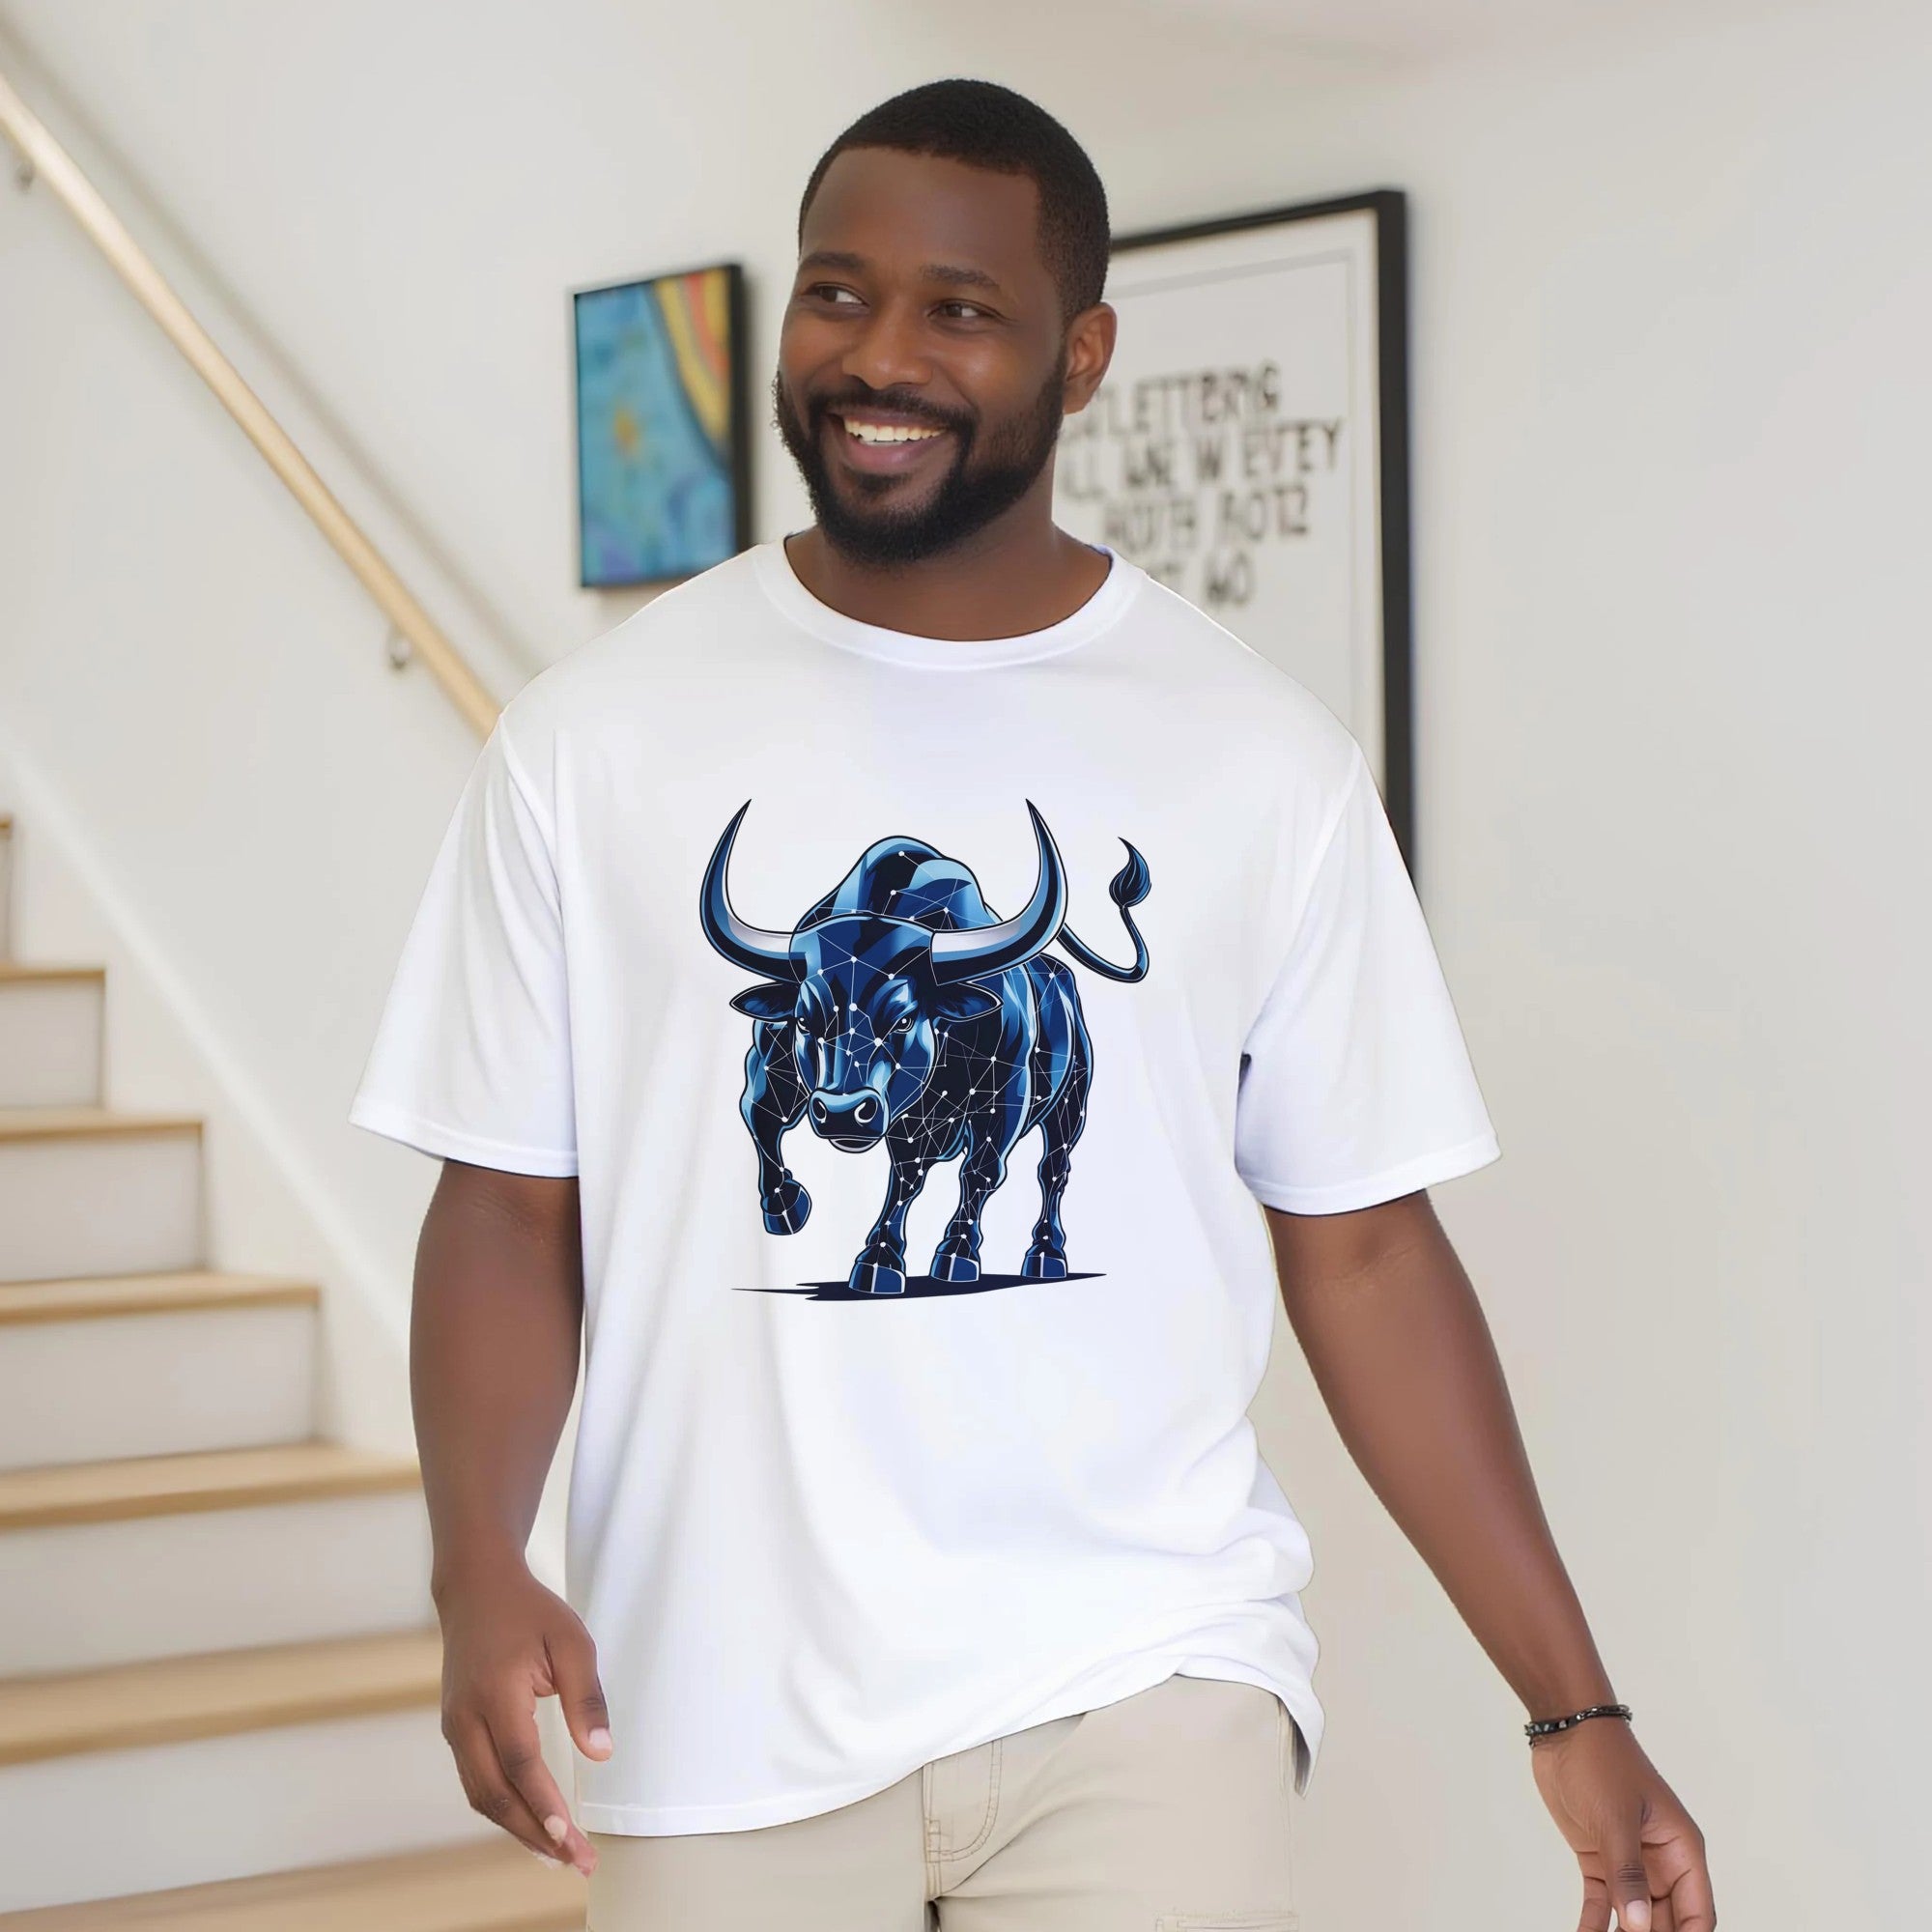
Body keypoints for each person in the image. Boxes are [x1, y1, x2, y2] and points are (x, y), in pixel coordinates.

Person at [349, 76, 1715, 1932]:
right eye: (838, 294)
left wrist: (1577, 1703)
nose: (879, 354)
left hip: (1143, 1682)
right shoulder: (592, 745)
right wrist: (472, 1564)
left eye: (958, 310)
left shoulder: (1260, 764)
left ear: (1081, 359)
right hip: (715, 1714)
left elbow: (1372, 1255)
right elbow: (513, 1206)